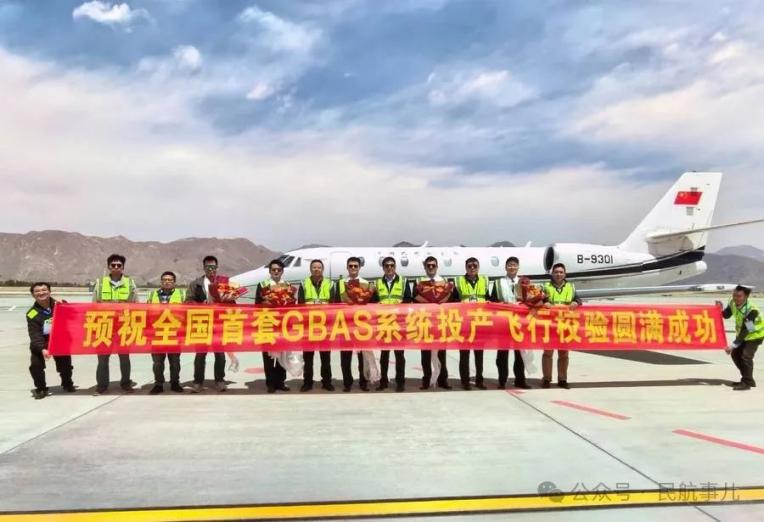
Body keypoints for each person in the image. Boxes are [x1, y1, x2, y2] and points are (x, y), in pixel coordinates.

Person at [93, 254, 137, 394]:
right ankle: (102, 385)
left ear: (123, 267)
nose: (116, 267)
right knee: (102, 358)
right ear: (108, 267)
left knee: (124, 357)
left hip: (124, 326)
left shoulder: (130, 283)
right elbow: (94, 305)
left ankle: (126, 383)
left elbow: (136, 305)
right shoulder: (100, 283)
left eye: (119, 265)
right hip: (104, 326)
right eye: (113, 265)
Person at [185, 255, 228, 393]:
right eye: (208, 267)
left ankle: (220, 380)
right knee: (200, 354)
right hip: (202, 324)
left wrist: (228, 299)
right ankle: (198, 382)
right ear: (203, 268)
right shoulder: (195, 284)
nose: (211, 269)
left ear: (217, 268)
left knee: (220, 354)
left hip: (218, 324)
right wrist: (200, 305)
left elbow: (232, 303)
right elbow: (187, 302)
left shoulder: (224, 283)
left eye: (213, 267)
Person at [335, 256, 377, 392]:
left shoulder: (367, 284)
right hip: (345, 324)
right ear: (347, 267)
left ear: (359, 268)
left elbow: (373, 303)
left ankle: (363, 381)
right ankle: (347, 383)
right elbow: (335, 302)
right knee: (345, 356)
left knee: (363, 355)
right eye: (351, 266)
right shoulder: (340, 283)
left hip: (361, 325)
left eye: (355, 266)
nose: (353, 268)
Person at [26, 282, 75, 399]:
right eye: (37, 291)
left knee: (65, 365)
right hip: (42, 342)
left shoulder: (60, 305)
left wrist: (66, 305)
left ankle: (67, 383)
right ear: (33, 295)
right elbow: (34, 334)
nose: (41, 293)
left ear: (49, 292)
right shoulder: (32, 314)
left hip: (59, 340)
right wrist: (42, 348)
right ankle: (41, 388)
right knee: (36, 366)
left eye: (44, 290)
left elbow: (72, 316)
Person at [491, 256, 531, 389]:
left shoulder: (524, 282)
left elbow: (531, 300)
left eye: (514, 265)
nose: (512, 267)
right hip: (504, 322)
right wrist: (501, 304)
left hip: (520, 322)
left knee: (520, 353)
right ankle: (502, 380)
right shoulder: (498, 283)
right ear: (505, 267)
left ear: (518, 267)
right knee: (502, 353)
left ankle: (520, 380)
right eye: (510, 265)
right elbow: (492, 301)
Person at [412, 256, 452, 390]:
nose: (430, 267)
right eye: (428, 265)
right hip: (425, 322)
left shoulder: (444, 282)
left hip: (441, 322)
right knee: (425, 354)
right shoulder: (419, 282)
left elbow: (452, 299)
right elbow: (414, 299)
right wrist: (428, 303)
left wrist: (441, 302)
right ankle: (426, 380)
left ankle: (443, 380)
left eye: (433, 265)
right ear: (424, 267)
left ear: (437, 266)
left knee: (442, 353)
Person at [452, 257, 491, 390]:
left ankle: (479, 380)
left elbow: (488, 298)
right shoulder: (458, 281)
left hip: (480, 322)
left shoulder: (484, 280)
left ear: (478, 267)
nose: (472, 268)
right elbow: (453, 300)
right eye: (469, 266)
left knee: (479, 354)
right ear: (466, 268)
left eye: (475, 265)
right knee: (464, 353)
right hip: (464, 323)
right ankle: (465, 381)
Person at [542, 262, 581, 389]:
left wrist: (576, 303)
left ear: (565, 274)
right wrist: (544, 303)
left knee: (563, 354)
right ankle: (546, 379)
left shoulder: (571, 286)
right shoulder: (546, 286)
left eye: (561, 272)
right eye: (556, 272)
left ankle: (562, 379)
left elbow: (579, 300)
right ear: (552, 274)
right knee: (548, 353)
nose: (558, 274)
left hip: (565, 324)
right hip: (550, 325)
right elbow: (538, 300)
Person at [297, 259, 335, 392]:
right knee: (308, 356)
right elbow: (300, 303)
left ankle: (327, 382)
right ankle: (307, 382)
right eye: (314, 267)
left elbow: (334, 304)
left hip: (325, 326)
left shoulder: (330, 284)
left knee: (325, 356)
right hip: (308, 325)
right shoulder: (304, 283)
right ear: (310, 269)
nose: (316, 269)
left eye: (319, 267)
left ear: (322, 269)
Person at [717, 285, 763, 391]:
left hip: (755, 335)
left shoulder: (751, 310)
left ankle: (746, 382)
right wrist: (719, 309)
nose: (735, 298)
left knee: (746, 356)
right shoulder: (733, 303)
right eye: (734, 295)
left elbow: (747, 329)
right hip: (743, 335)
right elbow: (726, 315)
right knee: (735, 354)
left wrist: (733, 345)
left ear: (746, 296)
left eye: (739, 296)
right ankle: (748, 379)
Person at [376, 257, 412, 392]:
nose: (389, 268)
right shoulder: (378, 282)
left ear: (395, 267)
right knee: (384, 355)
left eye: (391, 265)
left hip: (398, 323)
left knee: (399, 355)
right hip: (384, 323)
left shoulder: (403, 281)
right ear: (383, 268)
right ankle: (383, 381)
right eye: (386, 266)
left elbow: (408, 299)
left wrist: (400, 305)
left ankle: (400, 382)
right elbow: (374, 301)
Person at [256, 259, 291, 393]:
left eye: (278, 270)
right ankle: (270, 383)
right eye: (273, 269)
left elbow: (291, 305)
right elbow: (257, 304)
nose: (276, 271)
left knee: (283, 354)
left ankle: (280, 382)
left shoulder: (287, 285)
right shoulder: (263, 285)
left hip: (282, 324)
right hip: (267, 323)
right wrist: (266, 303)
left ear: (282, 271)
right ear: (270, 271)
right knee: (268, 356)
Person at [147, 271, 185, 394]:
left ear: (174, 282)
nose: (167, 282)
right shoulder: (153, 295)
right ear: (161, 282)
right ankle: (158, 384)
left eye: (170, 280)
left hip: (174, 334)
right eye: (164, 280)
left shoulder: (181, 295)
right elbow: (146, 313)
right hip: (157, 334)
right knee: (157, 362)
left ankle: (175, 383)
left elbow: (187, 313)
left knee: (175, 362)